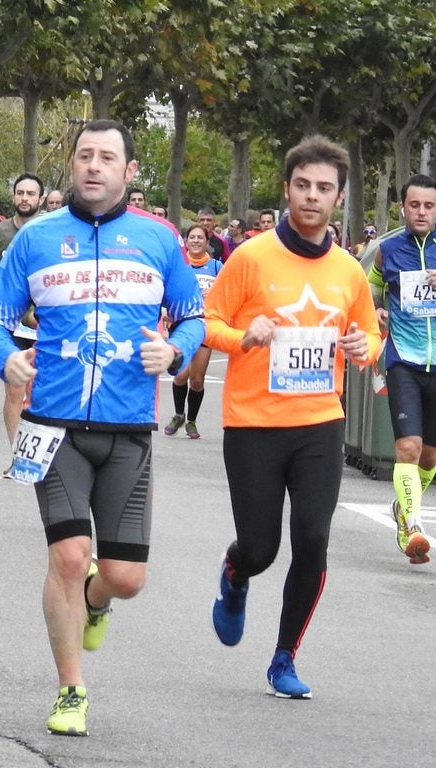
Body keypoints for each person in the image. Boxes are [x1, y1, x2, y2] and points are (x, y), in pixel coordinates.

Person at [0, 119, 205, 737]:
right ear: (72, 167)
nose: (94, 166)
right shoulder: (37, 238)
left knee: (124, 578)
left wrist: (175, 352)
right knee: (70, 556)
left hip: (129, 428)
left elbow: (193, 317)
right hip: (51, 426)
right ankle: (71, 689)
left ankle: (98, 602)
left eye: (108, 158)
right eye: (85, 156)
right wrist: (8, 360)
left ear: (130, 172)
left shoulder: (158, 241)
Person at [204, 135, 380, 700]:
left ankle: (284, 656)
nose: (311, 197)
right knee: (260, 549)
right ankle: (235, 577)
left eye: (323, 188)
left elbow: (370, 337)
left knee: (313, 539)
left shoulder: (349, 269)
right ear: (286, 189)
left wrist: (362, 346)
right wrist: (243, 336)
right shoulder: (251, 257)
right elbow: (206, 323)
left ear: (339, 197)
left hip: (319, 422)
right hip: (253, 423)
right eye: (302, 185)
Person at [367, 173, 436, 564]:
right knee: (407, 448)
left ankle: (402, 507)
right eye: (414, 205)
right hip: (403, 360)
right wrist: (374, 307)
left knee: (428, 459)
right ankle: (411, 524)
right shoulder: (387, 251)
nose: (421, 212)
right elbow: (370, 288)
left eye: (428, 205)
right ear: (403, 208)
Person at [0, 173, 44, 474]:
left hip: (44, 324)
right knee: (15, 390)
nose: (25, 198)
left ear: (40, 199)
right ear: (13, 196)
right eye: (21, 192)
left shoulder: (50, 231)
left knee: (43, 392)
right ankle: (19, 456)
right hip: (12, 325)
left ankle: (49, 456)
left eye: (31, 193)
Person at [162, 224, 221, 440]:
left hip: (206, 326)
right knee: (180, 375)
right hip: (181, 326)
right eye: (192, 237)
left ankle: (191, 421)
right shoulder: (180, 265)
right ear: (186, 241)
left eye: (200, 237)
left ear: (207, 242)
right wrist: (165, 312)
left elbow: (225, 295)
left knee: (197, 379)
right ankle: (178, 414)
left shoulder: (216, 267)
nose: (196, 241)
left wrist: (212, 294)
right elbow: (166, 292)